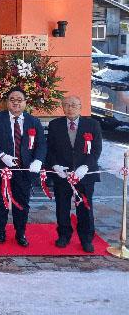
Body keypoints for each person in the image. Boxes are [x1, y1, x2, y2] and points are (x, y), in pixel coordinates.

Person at [0, 87, 47, 247]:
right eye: (12, 100)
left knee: (22, 202)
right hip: (3, 169)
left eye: (19, 100)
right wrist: (2, 155)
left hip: (24, 170)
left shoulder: (33, 121)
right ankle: (0, 231)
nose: (16, 103)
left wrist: (38, 161)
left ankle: (20, 232)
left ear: (25, 102)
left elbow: (42, 145)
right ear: (7, 102)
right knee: (1, 201)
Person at [45, 95, 102, 252]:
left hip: (84, 174)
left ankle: (86, 238)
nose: (70, 108)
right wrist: (55, 166)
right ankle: (64, 235)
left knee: (85, 207)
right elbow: (50, 149)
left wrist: (85, 167)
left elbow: (96, 150)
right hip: (63, 174)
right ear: (62, 107)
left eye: (74, 105)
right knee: (62, 207)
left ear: (80, 107)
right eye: (67, 105)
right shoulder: (55, 125)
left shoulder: (93, 124)